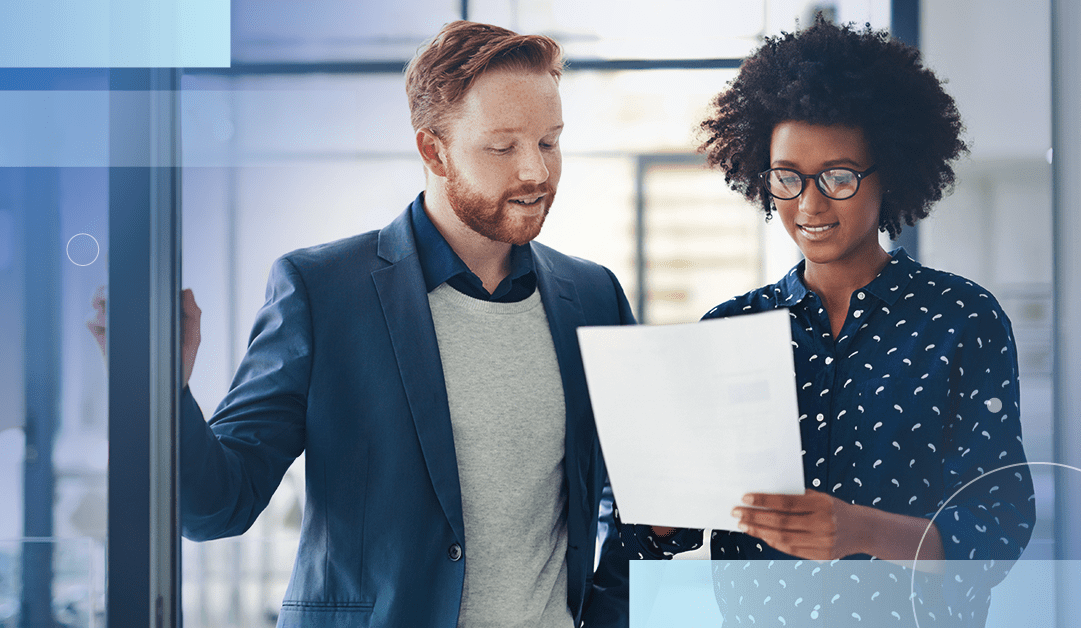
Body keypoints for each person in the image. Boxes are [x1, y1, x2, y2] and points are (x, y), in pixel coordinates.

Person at [91, 20, 634, 628]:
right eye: (503, 147)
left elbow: (643, 497)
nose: (535, 172)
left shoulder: (593, 296)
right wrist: (163, 392)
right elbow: (215, 508)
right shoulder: (322, 291)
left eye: (550, 142)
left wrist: (607, 616)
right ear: (434, 150)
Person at [624, 17, 1035, 627]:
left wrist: (861, 531)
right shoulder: (728, 329)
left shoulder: (961, 320)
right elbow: (661, 536)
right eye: (787, 177)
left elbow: (998, 525)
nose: (809, 205)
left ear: (888, 173)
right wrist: (658, 503)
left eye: (839, 177)